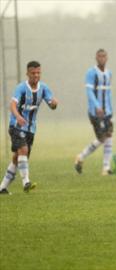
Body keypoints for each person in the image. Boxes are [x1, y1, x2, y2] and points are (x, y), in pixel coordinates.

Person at [0, 61, 58, 194]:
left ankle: (2, 187)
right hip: (16, 126)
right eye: (33, 73)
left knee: (17, 157)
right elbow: (13, 105)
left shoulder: (43, 88)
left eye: (38, 73)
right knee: (23, 150)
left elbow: (51, 104)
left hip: (30, 129)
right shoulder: (21, 88)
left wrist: (54, 104)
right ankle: (26, 182)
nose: (36, 75)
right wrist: (18, 117)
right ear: (27, 73)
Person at [75, 49, 114, 176]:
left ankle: (106, 168)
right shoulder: (91, 73)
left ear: (107, 58)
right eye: (100, 56)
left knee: (109, 136)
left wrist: (110, 108)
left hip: (107, 111)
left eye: (104, 56)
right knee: (102, 138)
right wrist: (97, 106)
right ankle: (81, 156)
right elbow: (89, 92)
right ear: (96, 58)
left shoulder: (109, 73)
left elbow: (108, 93)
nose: (102, 58)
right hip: (95, 112)